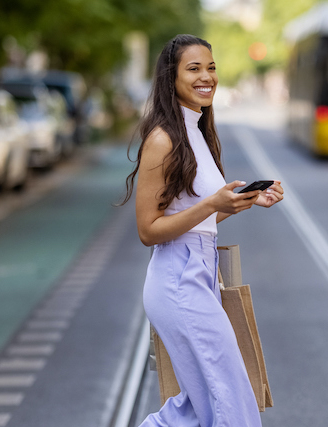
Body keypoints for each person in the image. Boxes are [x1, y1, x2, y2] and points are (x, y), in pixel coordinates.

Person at [118, 34, 282, 427]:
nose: (206, 76)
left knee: (199, 409)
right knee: (234, 403)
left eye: (211, 67)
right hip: (177, 280)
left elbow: (198, 221)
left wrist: (239, 203)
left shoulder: (198, 132)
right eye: (194, 68)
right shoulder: (163, 138)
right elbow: (148, 229)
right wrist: (212, 203)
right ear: (170, 77)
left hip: (199, 276)